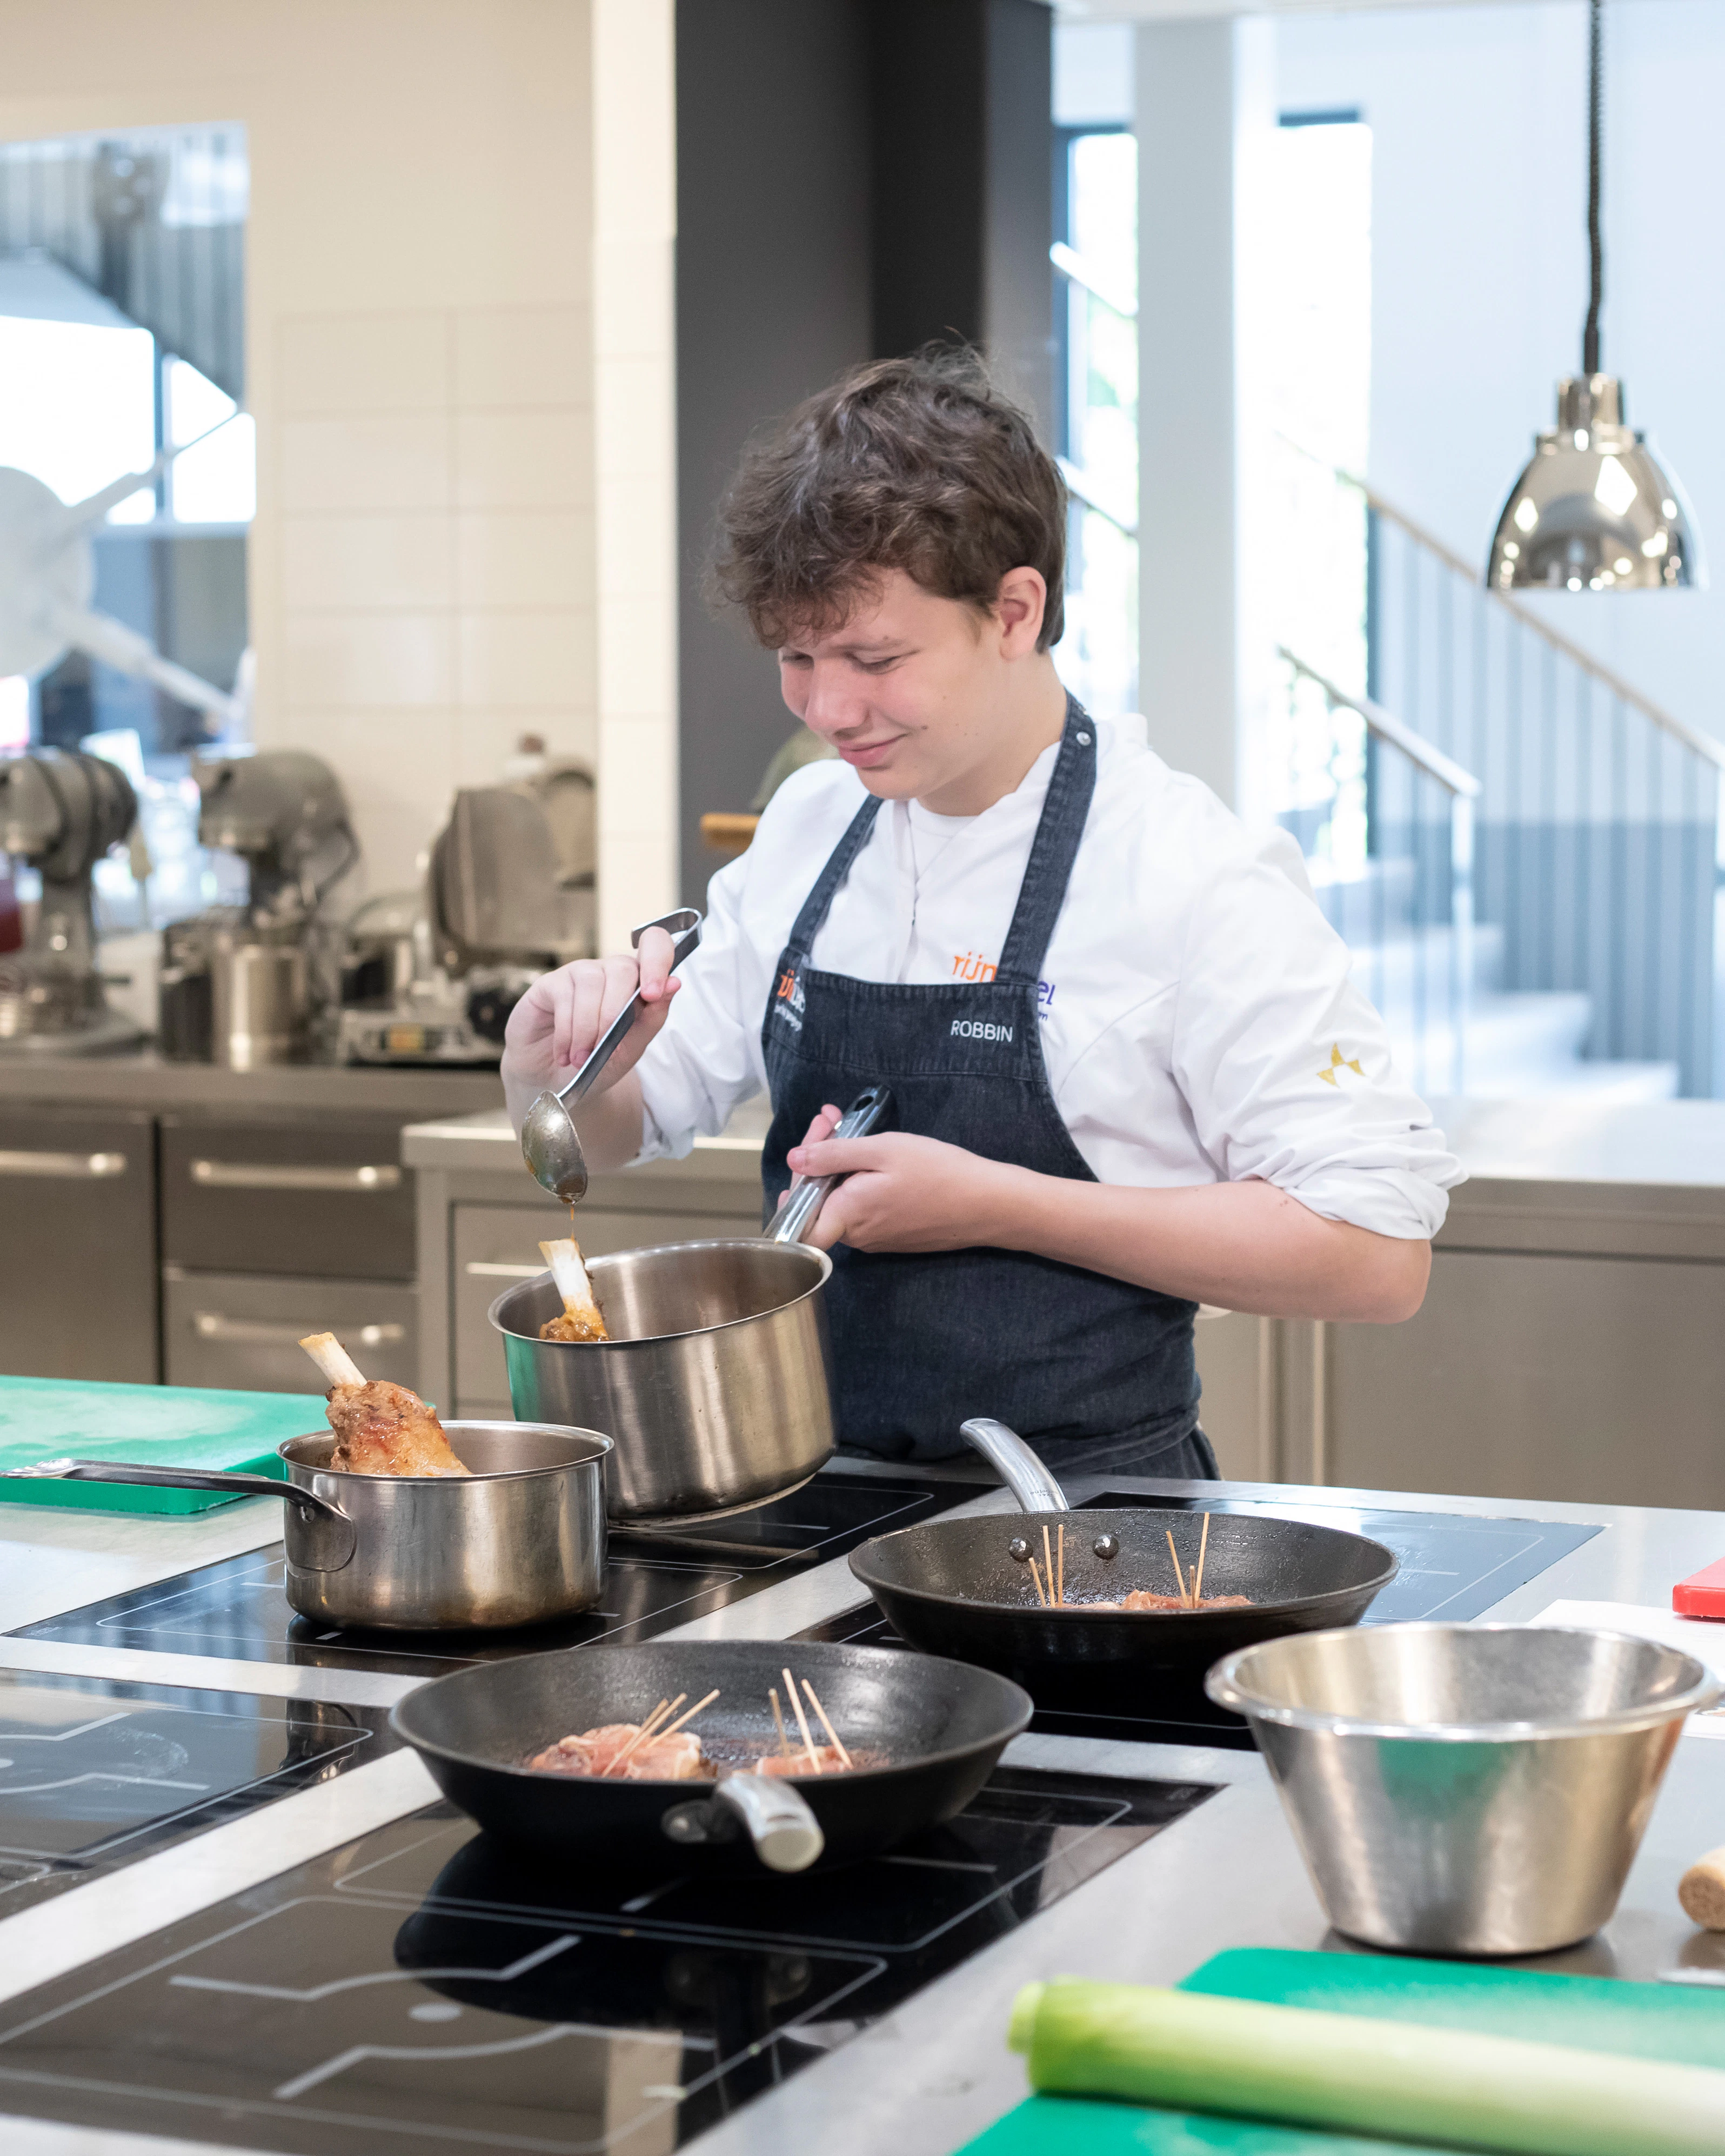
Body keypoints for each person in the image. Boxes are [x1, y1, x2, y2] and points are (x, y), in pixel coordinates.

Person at [502, 350, 1460, 1482]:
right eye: (796, 658)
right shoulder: (812, 824)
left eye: (874, 657)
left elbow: (1375, 1256)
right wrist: (555, 1063)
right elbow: (624, 1127)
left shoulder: (1193, 875)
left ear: (1014, 610)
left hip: (1092, 1533)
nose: (827, 709)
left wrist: (1001, 1206)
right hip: (808, 1504)